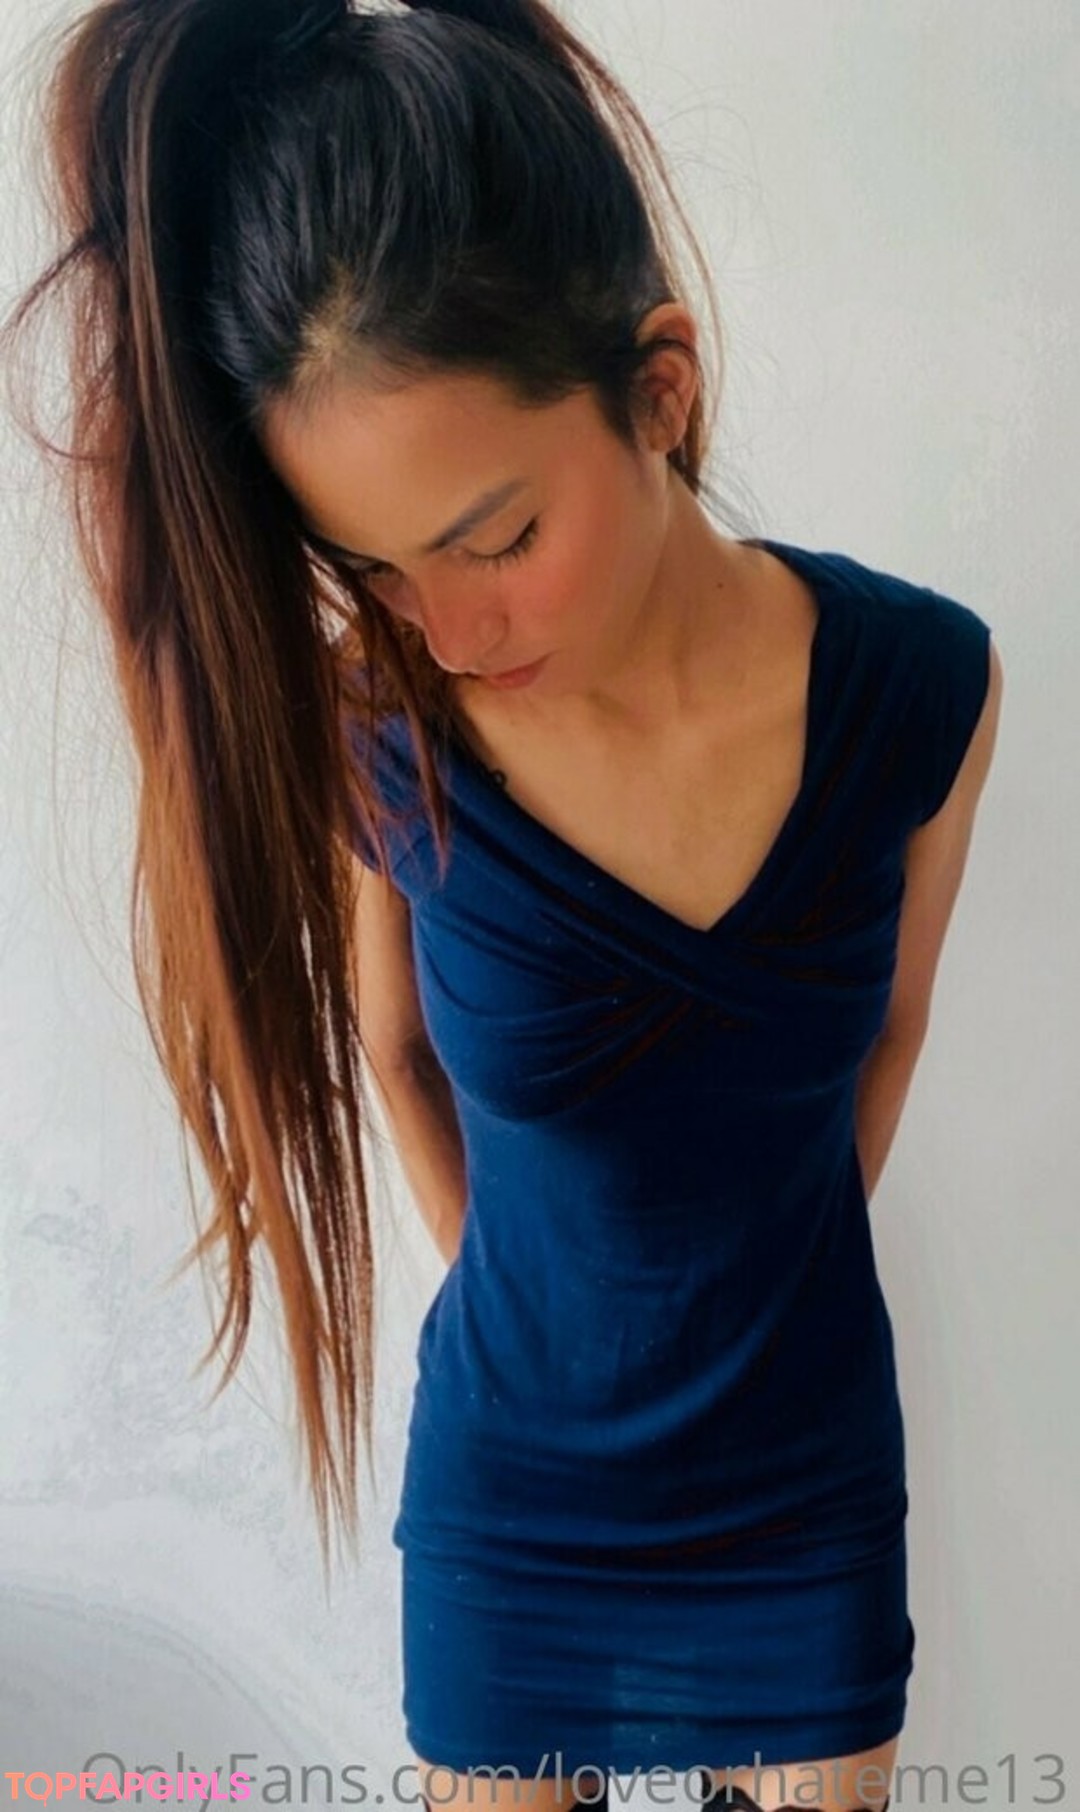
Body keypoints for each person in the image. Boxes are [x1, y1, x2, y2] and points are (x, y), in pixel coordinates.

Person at [1, 2, 1004, 1809]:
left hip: (805, 1484)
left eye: (494, 539)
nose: (449, 632)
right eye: (378, 571)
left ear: (660, 389)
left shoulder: (925, 689)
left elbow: (898, 1024)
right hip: (516, 1494)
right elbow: (393, 1053)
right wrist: (535, 1290)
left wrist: (749, 1293)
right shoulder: (381, 736)